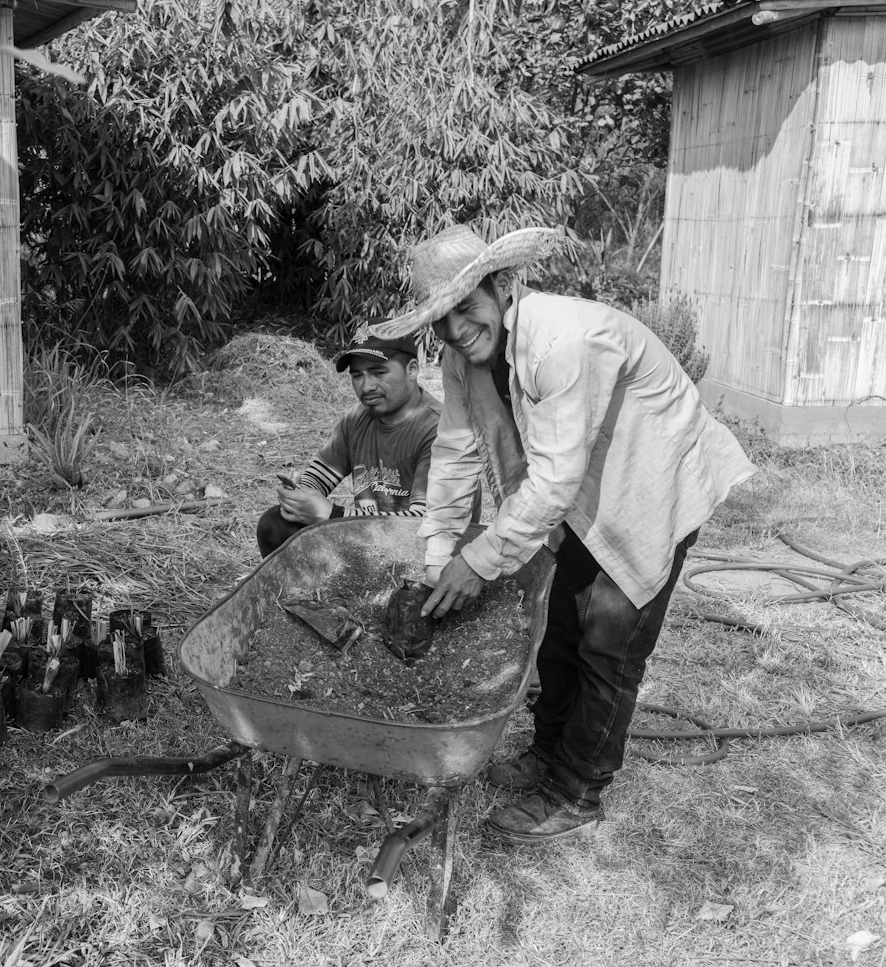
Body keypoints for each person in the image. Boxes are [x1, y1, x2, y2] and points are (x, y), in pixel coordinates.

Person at [368, 224, 756, 846]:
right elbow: (457, 449)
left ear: (502, 286)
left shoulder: (562, 342)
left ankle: (576, 789)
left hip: (650, 480)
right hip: (580, 490)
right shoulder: (462, 360)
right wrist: (439, 556)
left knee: (609, 642)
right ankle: (546, 751)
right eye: (441, 321)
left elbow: (552, 480)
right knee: (559, 629)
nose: (456, 331)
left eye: (466, 309)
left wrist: (482, 560)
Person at [256, 333, 439, 557]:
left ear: (412, 370)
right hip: (369, 541)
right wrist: (299, 494)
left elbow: (425, 524)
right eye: (357, 375)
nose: (366, 386)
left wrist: (332, 514)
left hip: (423, 554)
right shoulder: (359, 417)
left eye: (378, 372)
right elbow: (319, 476)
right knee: (274, 525)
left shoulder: (437, 429)